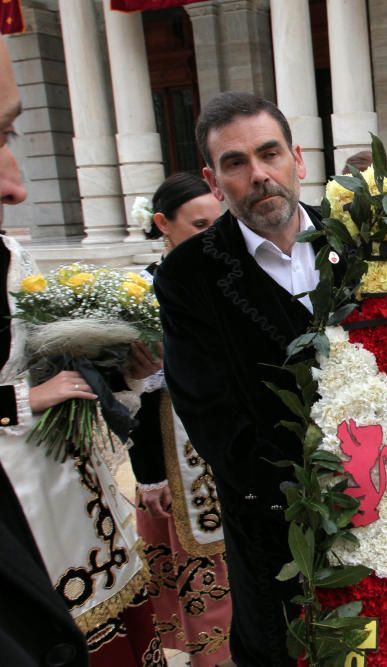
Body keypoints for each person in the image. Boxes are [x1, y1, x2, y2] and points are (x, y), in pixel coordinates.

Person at [155, 91, 342, 666]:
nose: (258, 175)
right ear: (214, 182)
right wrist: (311, 495)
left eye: (269, 153)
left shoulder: (362, 242)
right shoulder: (189, 276)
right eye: (235, 163)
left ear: (299, 159)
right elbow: (210, 415)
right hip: (272, 523)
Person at [0, 38, 163, 667]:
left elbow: (60, 374)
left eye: (12, 133)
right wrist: (19, 400)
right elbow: (31, 389)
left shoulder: (18, 262)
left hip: (77, 486)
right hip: (22, 510)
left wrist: (118, 377)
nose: (18, 187)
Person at [131, 172, 232, 667]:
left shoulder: (234, 279)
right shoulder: (141, 293)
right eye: (199, 226)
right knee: (198, 561)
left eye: (219, 224)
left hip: (232, 439)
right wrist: (149, 473)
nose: (212, 237)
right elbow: (138, 401)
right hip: (178, 448)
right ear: (162, 225)